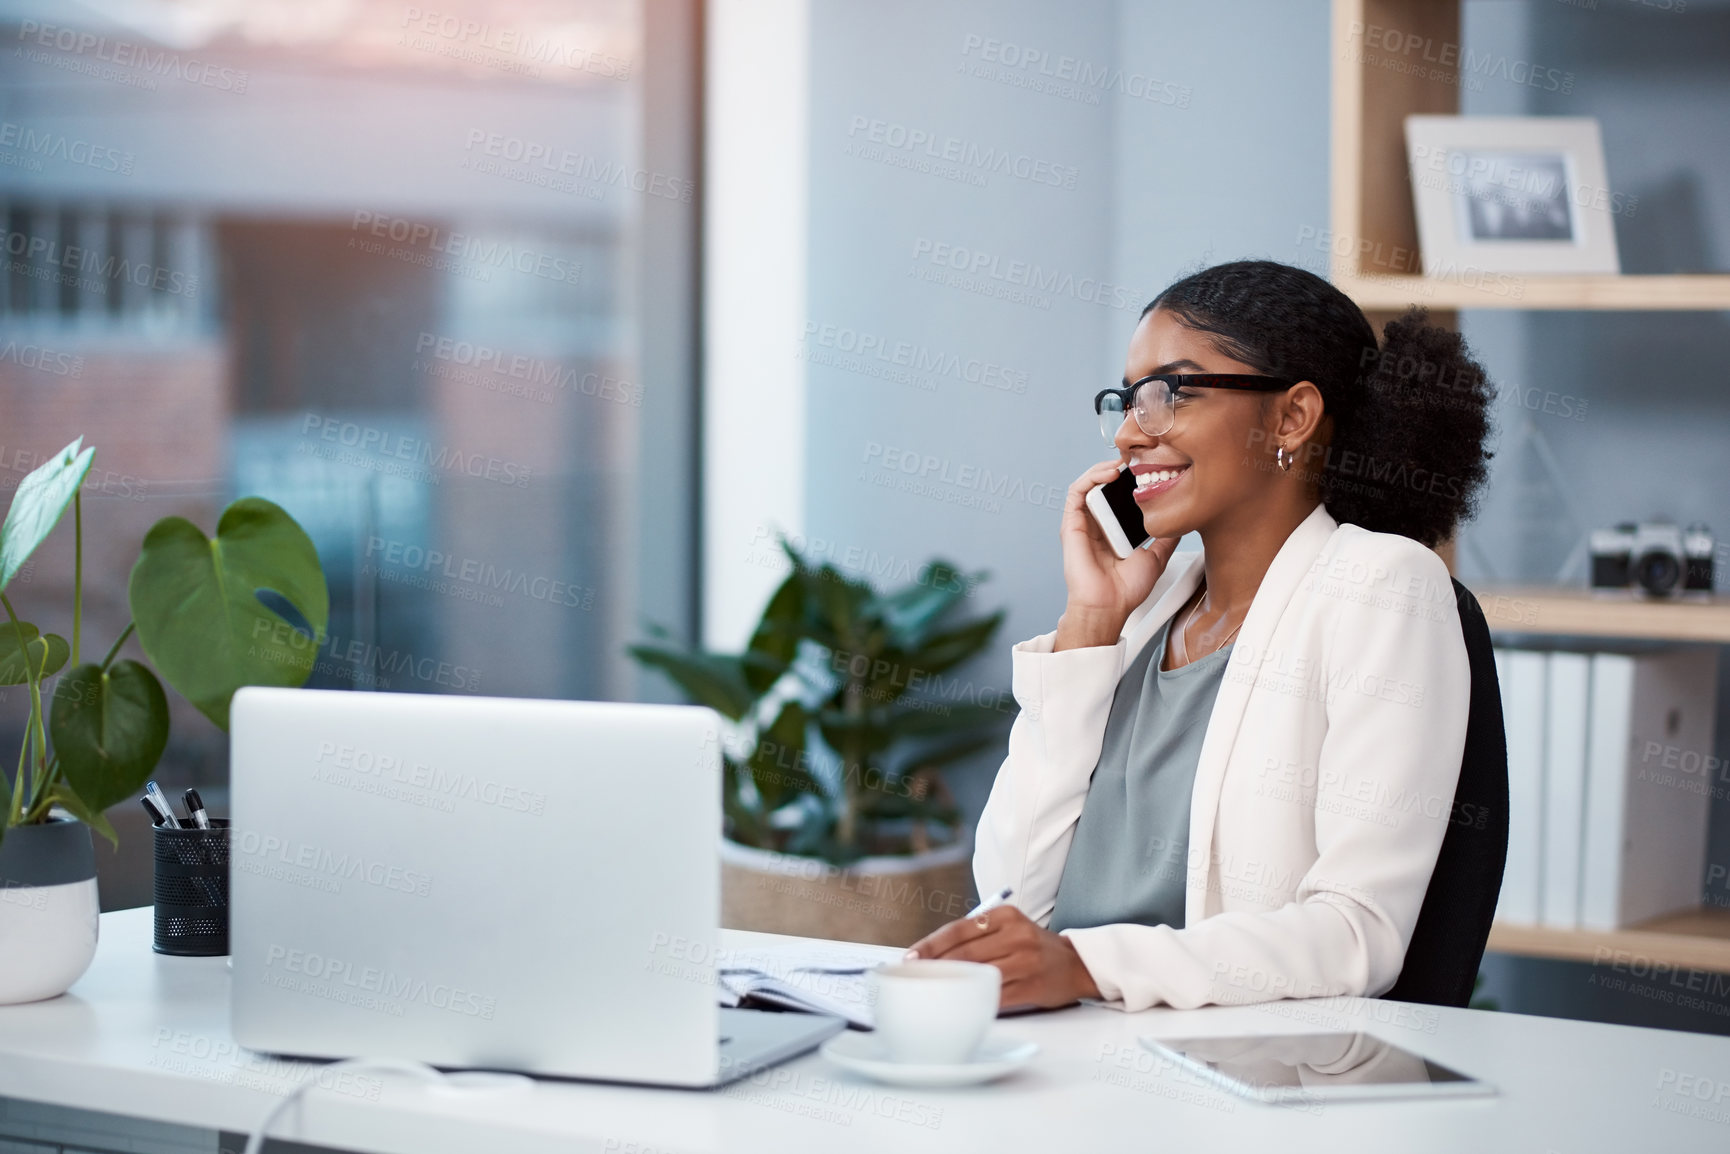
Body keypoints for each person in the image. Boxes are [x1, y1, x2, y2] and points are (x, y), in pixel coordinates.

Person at [907, 260, 1495, 1012]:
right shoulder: (1146, 610)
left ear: (1291, 417)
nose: (1127, 432)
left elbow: (1358, 933)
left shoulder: (1381, 585)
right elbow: (1011, 890)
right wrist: (1091, 623)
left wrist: (1085, 966)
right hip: (1063, 1044)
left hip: (1215, 1077)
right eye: (1124, 400)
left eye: (1168, 393)